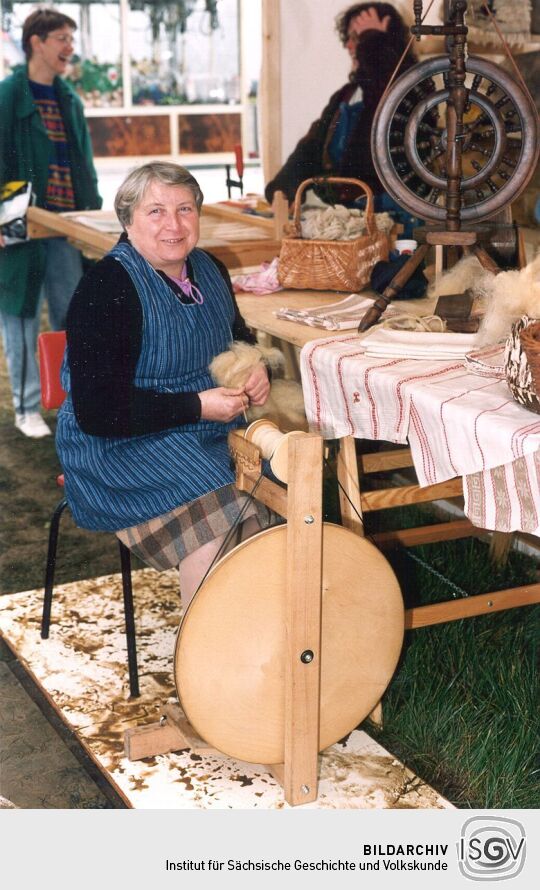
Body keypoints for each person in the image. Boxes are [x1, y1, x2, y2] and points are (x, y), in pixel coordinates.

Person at [56, 162, 273, 609]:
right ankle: (205, 660)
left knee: (279, 496)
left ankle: (259, 636)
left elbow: (236, 336)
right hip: (118, 446)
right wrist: (197, 407)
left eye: (185, 209)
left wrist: (254, 365)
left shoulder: (208, 268)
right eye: (156, 211)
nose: (173, 225)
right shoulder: (107, 287)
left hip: (201, 430)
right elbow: (98, 412)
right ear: (128, 220)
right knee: (224, 518)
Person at [0, 8, 101, 438]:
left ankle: (67, 401)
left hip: (66, 228)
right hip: (20, 224)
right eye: (61, 38)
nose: (69, 48)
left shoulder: (70, 100)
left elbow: (85, 167)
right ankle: (25, 408)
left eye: (71, 40)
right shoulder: (7, 97)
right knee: (20, 315)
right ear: (36, 42)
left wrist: (94, 220)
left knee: (71, 316)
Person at [264, 3, 418, 225]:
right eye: (352, 37)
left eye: (359, 37)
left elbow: (382, 102)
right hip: (347, 216)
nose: (350, 46)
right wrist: (285, 187)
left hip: (392, 218)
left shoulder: (410, 89)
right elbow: (312, 146)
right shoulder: (346, 95)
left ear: (385, 43)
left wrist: (375, 41)